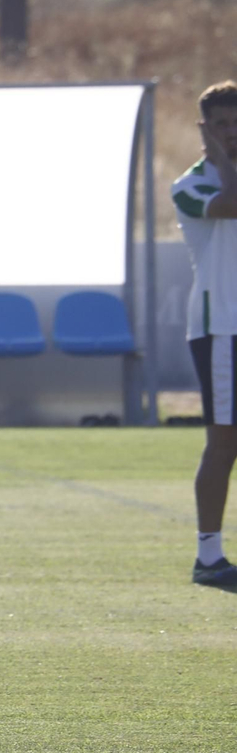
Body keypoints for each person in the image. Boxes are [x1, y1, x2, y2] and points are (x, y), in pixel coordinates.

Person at [171, 80, 237, 585]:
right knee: (223, 442)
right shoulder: (191, 184)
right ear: (205, 130)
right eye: (221, 125)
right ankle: (208, 557)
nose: (232, 132)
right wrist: (221, 159)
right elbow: (231, 204)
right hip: (222, 329)